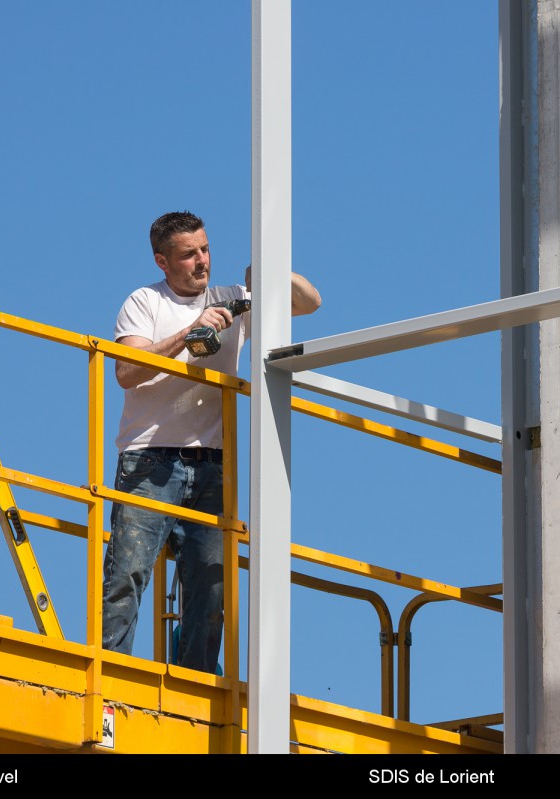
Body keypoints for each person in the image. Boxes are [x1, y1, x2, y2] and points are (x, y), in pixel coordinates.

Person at [102, 210, 321, 673]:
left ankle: (197, 687)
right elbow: (126, 369)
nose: (202, 262)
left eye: (205, 249)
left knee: (211, 585)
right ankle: (112, 675)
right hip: (149, 460)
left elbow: (310, 301)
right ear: (163, 261)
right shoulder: (145, 302)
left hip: (212, 464)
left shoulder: (229, 298)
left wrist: (266, 272)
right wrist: (190, 331)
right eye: (189, 254)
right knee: (128, 572)